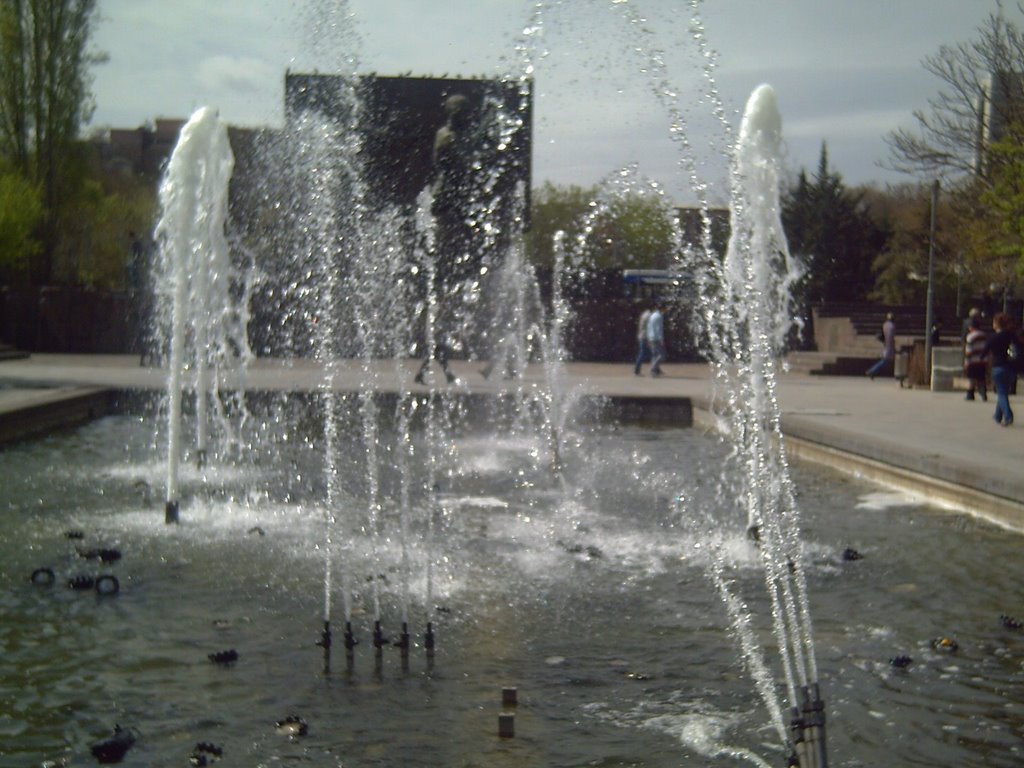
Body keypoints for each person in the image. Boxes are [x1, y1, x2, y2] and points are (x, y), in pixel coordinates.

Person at [982, 312, 1020, 426]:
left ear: (998, 324)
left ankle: (1008, 415)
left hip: (998, 367)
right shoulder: (1011, 335)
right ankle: (998, 416)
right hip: (1011, 367)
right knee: (1003, 391)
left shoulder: (993, 338)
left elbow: (984, 352)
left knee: (1001, 393)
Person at [963, 316, 988, 401]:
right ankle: (983, 393)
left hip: (973, 361)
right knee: (981, 378)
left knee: (971, 378)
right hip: (982, 361)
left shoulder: (970, 337)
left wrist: (966, 362)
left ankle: (970, 394)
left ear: (971, 327)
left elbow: (969, 351)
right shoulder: (984, 335)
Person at [866, 312, 895, 379]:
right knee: (885, 360)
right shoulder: (892, 326)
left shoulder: (884, 324)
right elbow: (890, 336)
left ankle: (873, 372)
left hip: (885, 344)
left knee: (886, 360)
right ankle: (872, 371)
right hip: (889, 345)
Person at [647, 305, 665, 377]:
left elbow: (649, 327)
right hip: (656, 338)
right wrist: (661, 339)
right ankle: (653, 368)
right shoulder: (659, 316)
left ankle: (656, 370)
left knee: (654, 355)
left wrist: (648, 337)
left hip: (651, 337)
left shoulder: (652, 315)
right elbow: (659, 328)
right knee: (662, 355)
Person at [633, 306, 652, 375]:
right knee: (644, 353)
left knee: (645, 353)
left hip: (642, 336)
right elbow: (649, 327)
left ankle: (655, 368)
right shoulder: (649, 315)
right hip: (645, 337)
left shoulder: (644, 314)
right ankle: (637, 369)